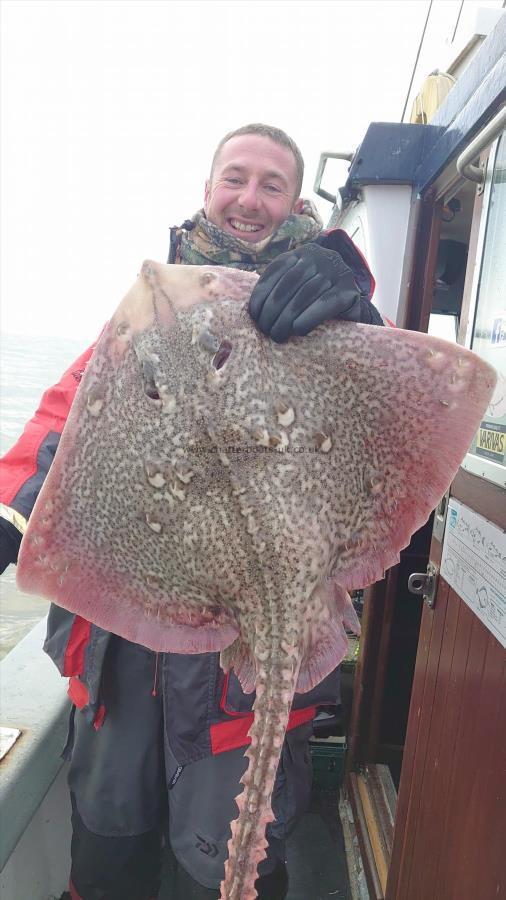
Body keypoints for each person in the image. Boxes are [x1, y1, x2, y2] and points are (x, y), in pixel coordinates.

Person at [0, 123, 383, 900]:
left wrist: (356, 308)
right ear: (207, 191)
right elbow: (60, 435)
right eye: (234, 178)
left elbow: (383, 426)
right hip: (117, 664)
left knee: (231, 867)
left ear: (296, 202)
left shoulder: (332, 318)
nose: (248, 198)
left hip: (239, 664)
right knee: (107, 859)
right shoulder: (146, 315)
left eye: (270, 184)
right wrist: (19, 522)